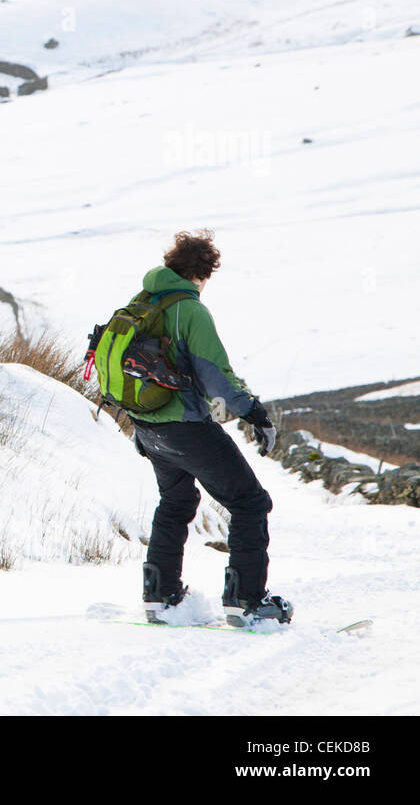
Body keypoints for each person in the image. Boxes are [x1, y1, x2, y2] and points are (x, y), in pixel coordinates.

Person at [128, 230, 292, 626]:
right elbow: (216, 374)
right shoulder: (189, 309)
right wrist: (254, 412)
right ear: (202, 273)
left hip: (148, 428)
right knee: (249, 502)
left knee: (177, 503)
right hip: (185, 427)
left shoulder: (139, 303)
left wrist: (141, 428)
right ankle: (246, 602)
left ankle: (160, 595)